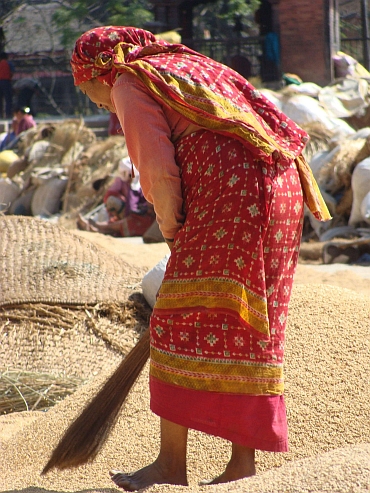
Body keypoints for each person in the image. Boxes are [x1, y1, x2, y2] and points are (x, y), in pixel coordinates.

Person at [71, 26, 330, 490]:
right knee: (247, 320)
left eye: (89, 92)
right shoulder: (188, 64)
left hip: (233, 191)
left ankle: (171, 466)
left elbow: (157, 171)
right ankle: (241, 466)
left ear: (98, 72)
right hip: (280, 185)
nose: (97, 104)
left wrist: (173, 231)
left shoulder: (130, 80)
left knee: (173, 321)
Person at [77, 157, 157, 239]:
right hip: (134, 212)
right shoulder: (123, 182)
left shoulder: (143, 183)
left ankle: (99, 228)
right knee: (120, 216)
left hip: (146, 217)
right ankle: (97, 227)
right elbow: (110, 195)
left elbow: (144, 203)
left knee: (130, 223)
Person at [0, 52, 13, 118]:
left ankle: (0, 114)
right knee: (8, 99)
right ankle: (8, 114)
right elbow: (12, 72)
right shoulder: (9, 64)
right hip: (6, 81)